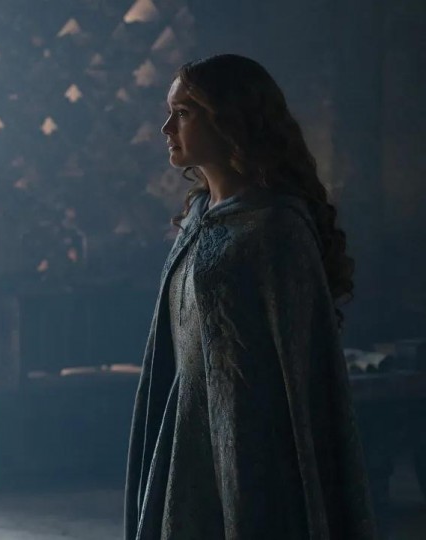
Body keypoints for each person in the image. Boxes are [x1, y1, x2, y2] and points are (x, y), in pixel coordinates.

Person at [124, 54, 376, 539]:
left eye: (183, 113)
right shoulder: (198, 218)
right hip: (189, 426)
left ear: (229, 118)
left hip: (254, 440)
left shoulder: (275, 227)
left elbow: (299, 366)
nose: (166, 129)